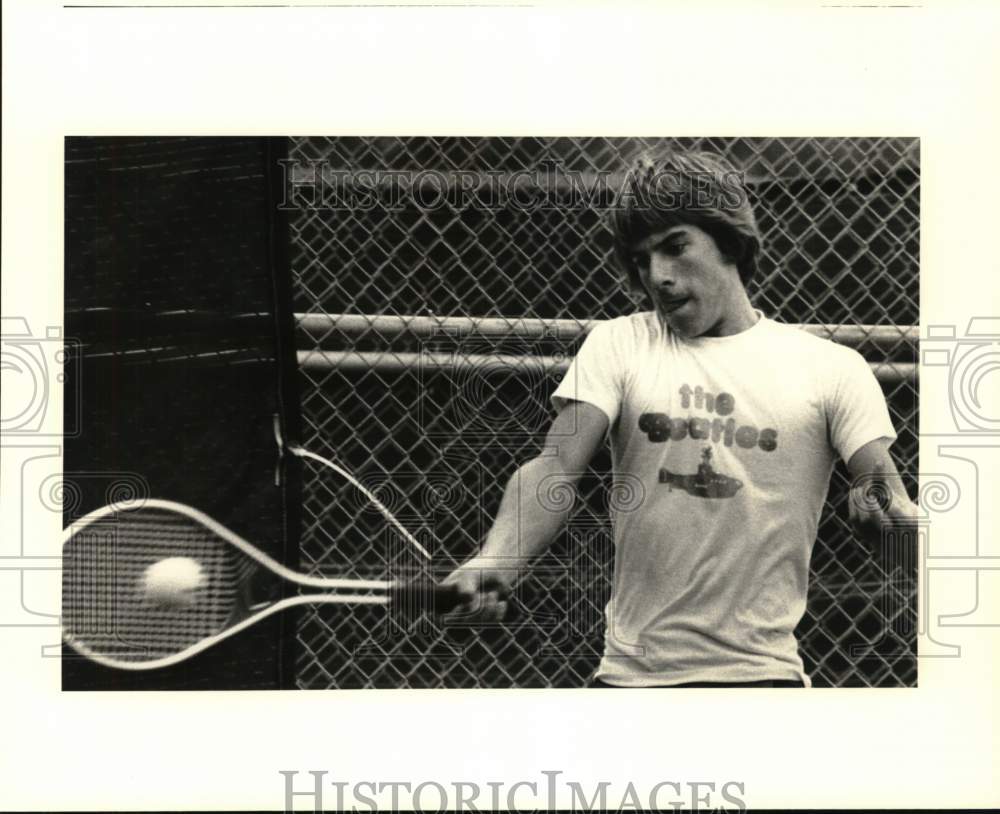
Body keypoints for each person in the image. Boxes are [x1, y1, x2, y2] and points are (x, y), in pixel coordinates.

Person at [443, 150, 917, 688]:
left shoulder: (832, 369)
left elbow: (889, 500)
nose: (658, 277)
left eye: (675, 247)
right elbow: (554, 468)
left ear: (729, 241)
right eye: (643, 261)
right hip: (629, 681)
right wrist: (498, 560)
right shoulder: (620, 344)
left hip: (765, 681)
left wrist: (895, 531)